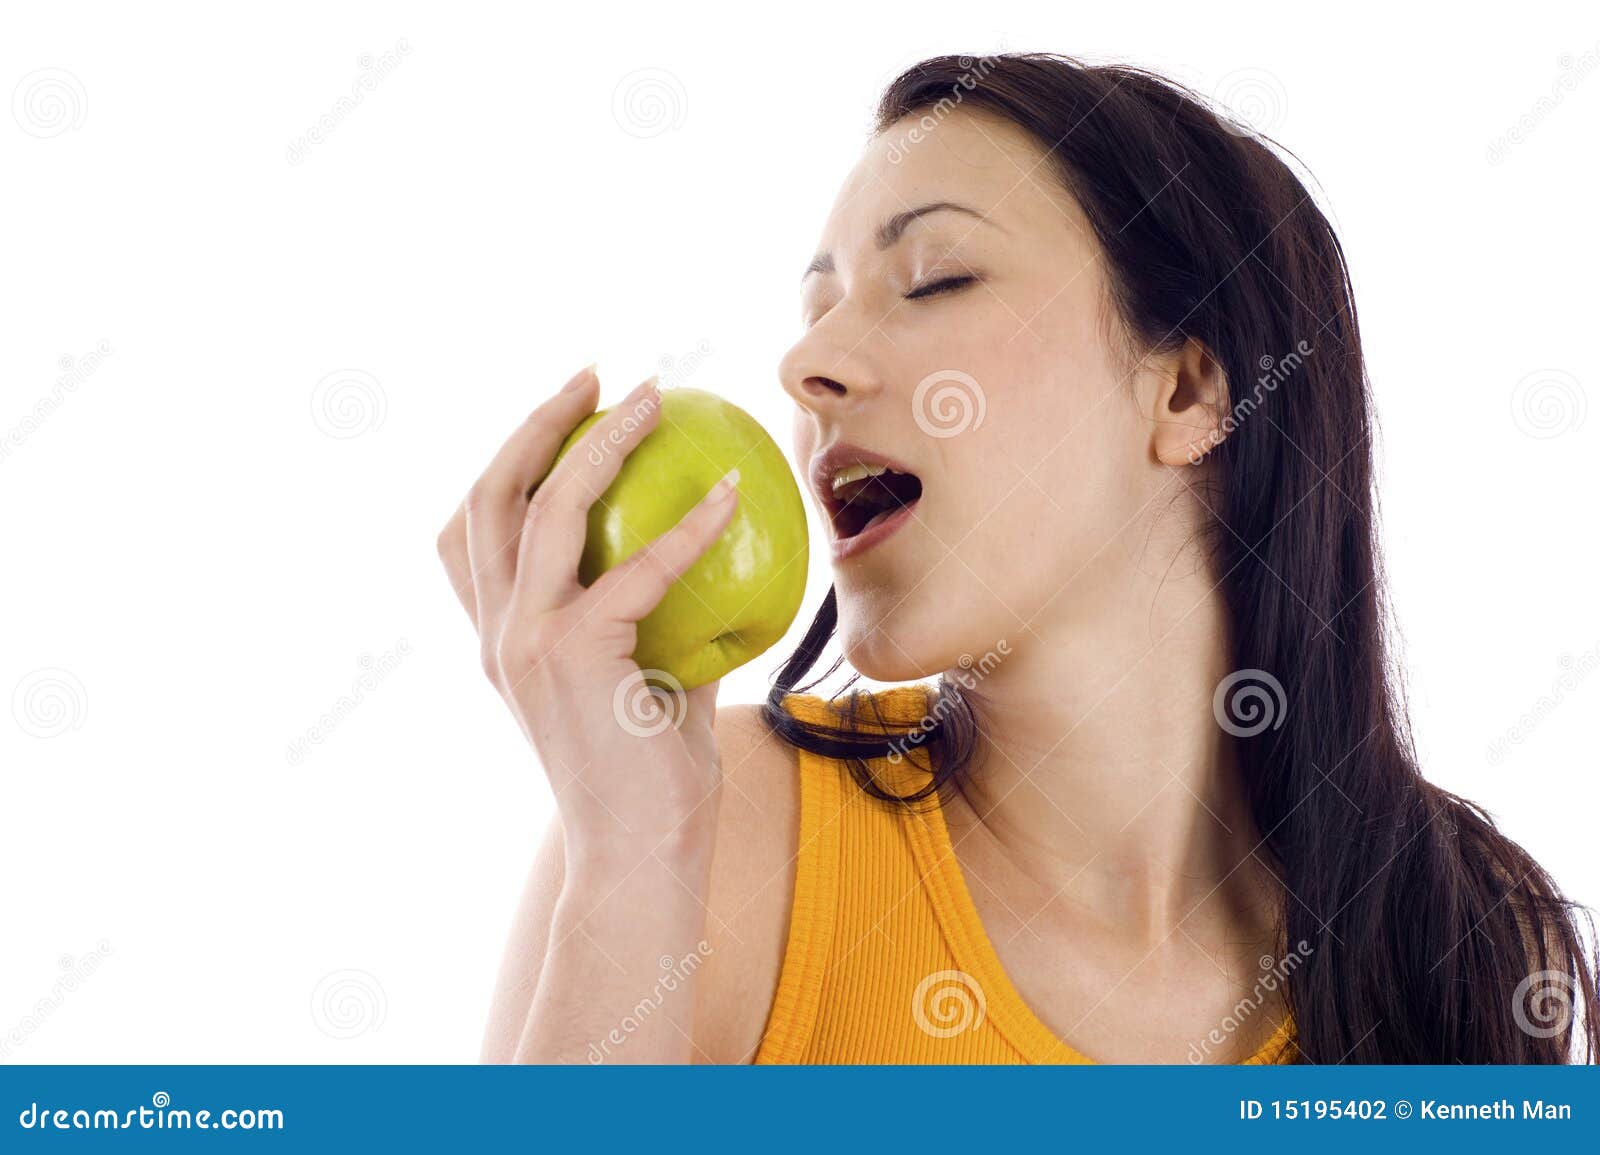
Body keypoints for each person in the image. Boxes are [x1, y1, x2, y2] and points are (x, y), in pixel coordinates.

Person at [437, 53, 1598, 1064]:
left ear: (1189, 389)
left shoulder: (1469, 931)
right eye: (815, 310)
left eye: (935, 277)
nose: (804, 368)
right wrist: (634, 857)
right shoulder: (713, 838)